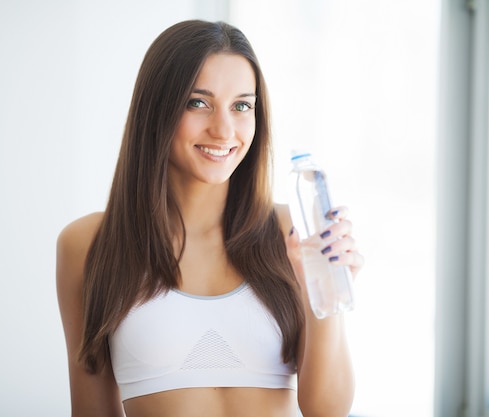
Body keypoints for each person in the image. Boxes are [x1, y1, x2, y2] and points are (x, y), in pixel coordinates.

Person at [56, 20, 363, 417]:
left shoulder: (295, 235)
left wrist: (325, 294)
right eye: (198, 102)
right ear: (157, 109)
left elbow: (328, 410)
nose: (223, 130)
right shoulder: (87, 243)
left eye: (242, 106)